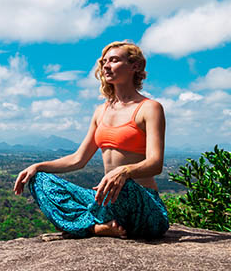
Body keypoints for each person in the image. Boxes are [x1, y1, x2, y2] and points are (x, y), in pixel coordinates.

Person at [13, 41, 169, 239]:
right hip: (107, 200)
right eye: (104, 62)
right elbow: (78, 159)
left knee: (124, 186)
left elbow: (156, 164)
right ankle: (96, 228)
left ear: (135, 66)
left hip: (142, 202)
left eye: (114, 60)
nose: (106, 66)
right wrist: (37, 166)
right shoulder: (100, 111)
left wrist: (124, 172)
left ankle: (82, 224)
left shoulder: (149, 108)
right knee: (39, 180)